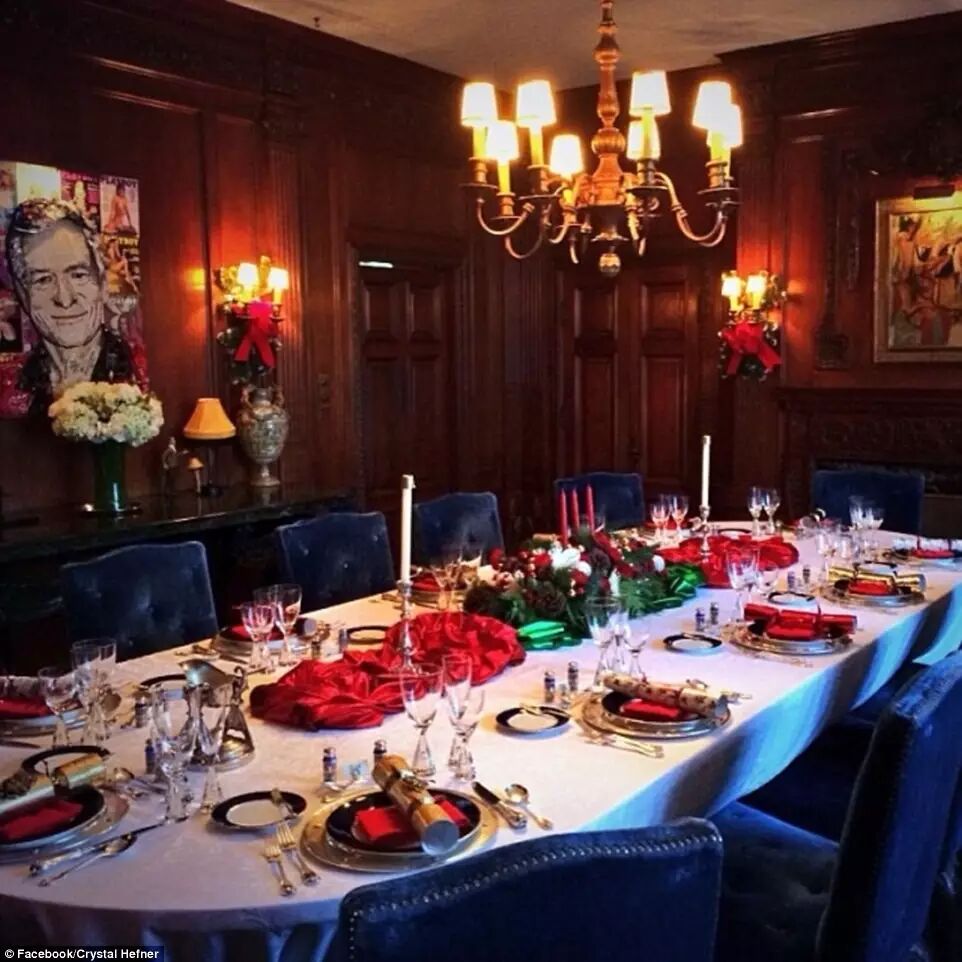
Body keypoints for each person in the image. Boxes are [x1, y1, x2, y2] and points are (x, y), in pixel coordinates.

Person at [5, 197, 133, 408]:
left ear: (102, 283)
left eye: (78, 275)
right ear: (21, 293)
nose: (65, 300)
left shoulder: (136, 371)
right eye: (43, 280)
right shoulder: (12, 391)